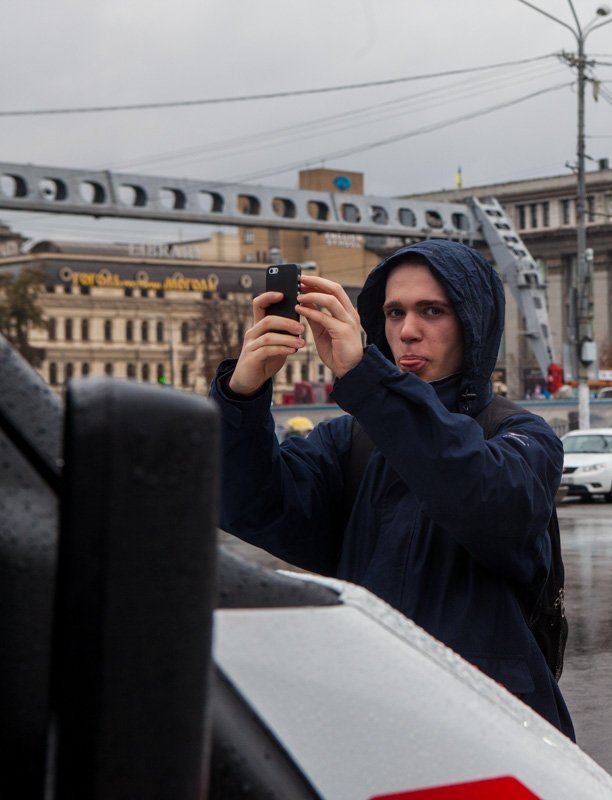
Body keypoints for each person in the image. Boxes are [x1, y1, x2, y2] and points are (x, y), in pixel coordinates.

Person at [209, 240, 573, 738]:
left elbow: (479, 497)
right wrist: (241, 397)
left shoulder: (523, 437)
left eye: (433, 311)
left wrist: (369, 382)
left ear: (474, 322)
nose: (407, 331)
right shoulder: (349, 438)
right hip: (371, 717)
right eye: (394, 312)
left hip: (490, 733)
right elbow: (252, 504)